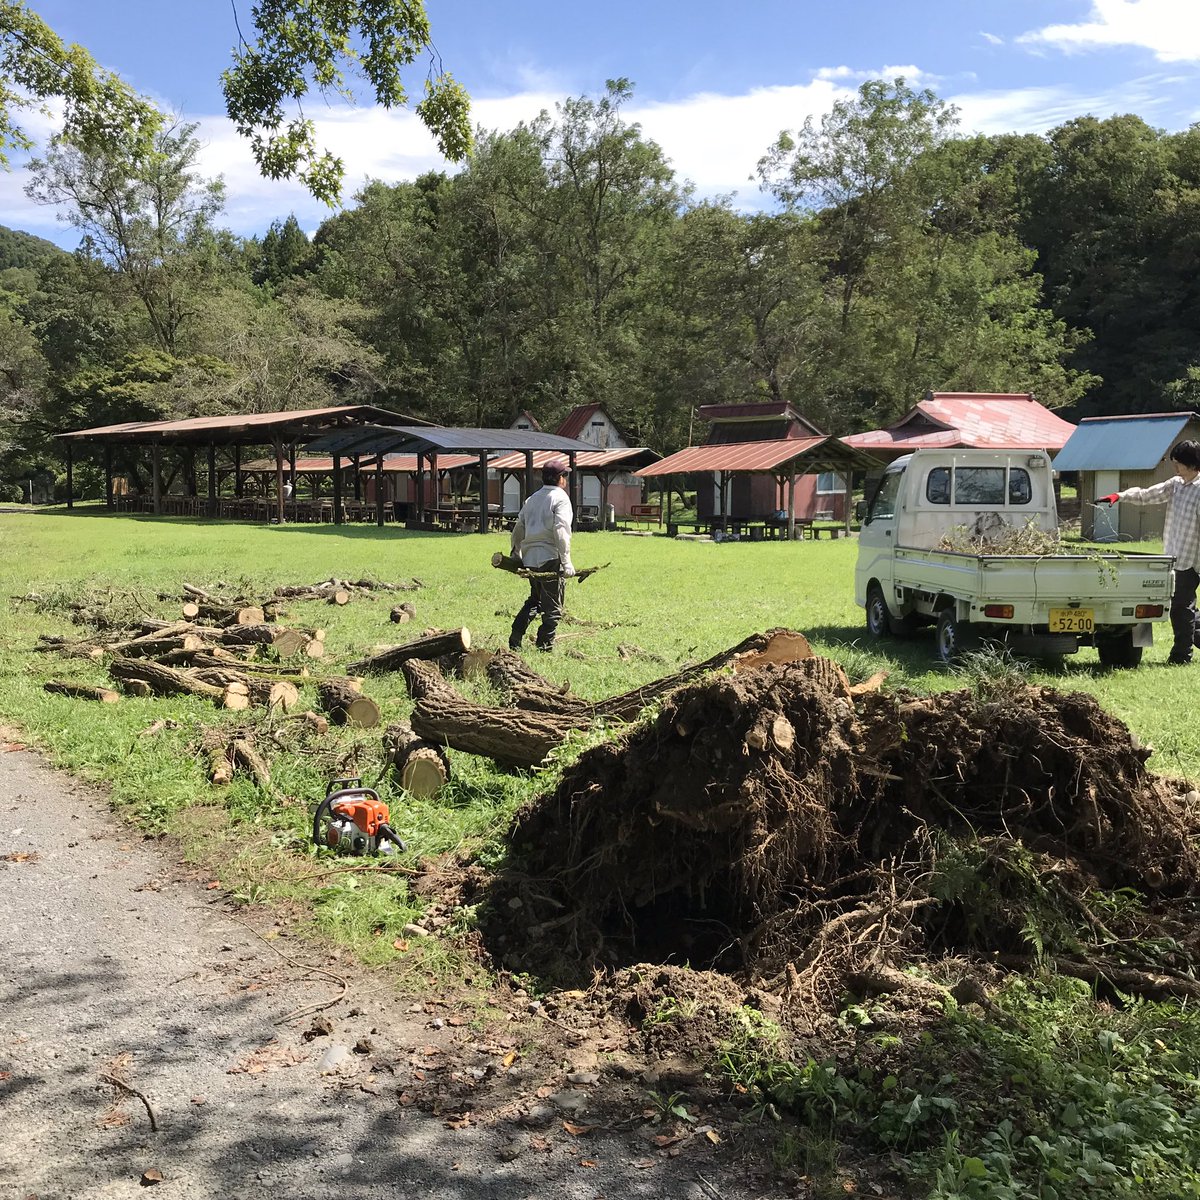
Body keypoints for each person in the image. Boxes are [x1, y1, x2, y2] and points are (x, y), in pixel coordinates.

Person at [1097, 439, 1200, 664]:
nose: (1175, 468)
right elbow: (1146, 495)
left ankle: (1182, 655)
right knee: (1178, 605)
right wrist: (1120, 496)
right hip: (1171, 557)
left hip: (1191, 560)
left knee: (1180, 608)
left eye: (1178, 463)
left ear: (1191, 464)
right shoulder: (1175, 484)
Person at [508, 459, 575, 652]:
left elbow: (518, 528)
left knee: (535, 599)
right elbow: (561, 531)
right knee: (553, 606)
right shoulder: (560, 498)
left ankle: (516, 635)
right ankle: (544, 646)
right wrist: (566, 562)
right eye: (566, 476)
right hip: (550, 557)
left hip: (530, 558)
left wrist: (516, 553)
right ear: (561, 479)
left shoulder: (532, 499)